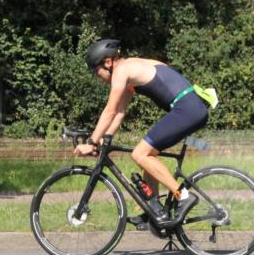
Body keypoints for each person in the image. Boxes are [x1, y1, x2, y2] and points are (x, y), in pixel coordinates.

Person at [74, 38, 208, 224]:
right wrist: (107, 138)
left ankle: (183, 195)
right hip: (190, 108)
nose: (98, 78)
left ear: (108, 62)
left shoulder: (122, 70)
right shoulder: (131, 69)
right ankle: (153, 211)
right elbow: (120, 113)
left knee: (140, 154)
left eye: (97, 73)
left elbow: (110, 110)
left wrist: (91, 142)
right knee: (147, 156)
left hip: (187, 109)